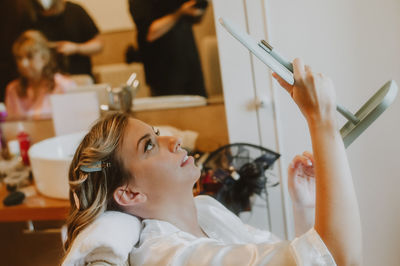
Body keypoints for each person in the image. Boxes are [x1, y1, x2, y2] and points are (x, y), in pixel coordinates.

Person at [62, 58, 362, 265]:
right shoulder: (167, 255)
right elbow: (339, 259)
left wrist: (304, 206)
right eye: (149, 145)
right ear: (130, 193)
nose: (173, 140)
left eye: (156, 133)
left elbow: (299, 258)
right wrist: (321, 121)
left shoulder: (205, 209)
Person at [129, 0, 207, 97]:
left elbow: (196, 18)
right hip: (163, 73)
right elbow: (151, 33)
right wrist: (179, 12)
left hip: (190, 66)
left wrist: (198, 7)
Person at [5, 30, 76, 119]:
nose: (23, 63)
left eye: (29, 57)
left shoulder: (64, 86)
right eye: (19, 58)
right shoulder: (12, 89)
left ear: (44, 58)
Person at [32, 0, 103, 77]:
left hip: (79, 77)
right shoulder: (33, 16)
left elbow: (99, 44)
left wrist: (76, 48)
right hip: (49, 80)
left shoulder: (75, 11)